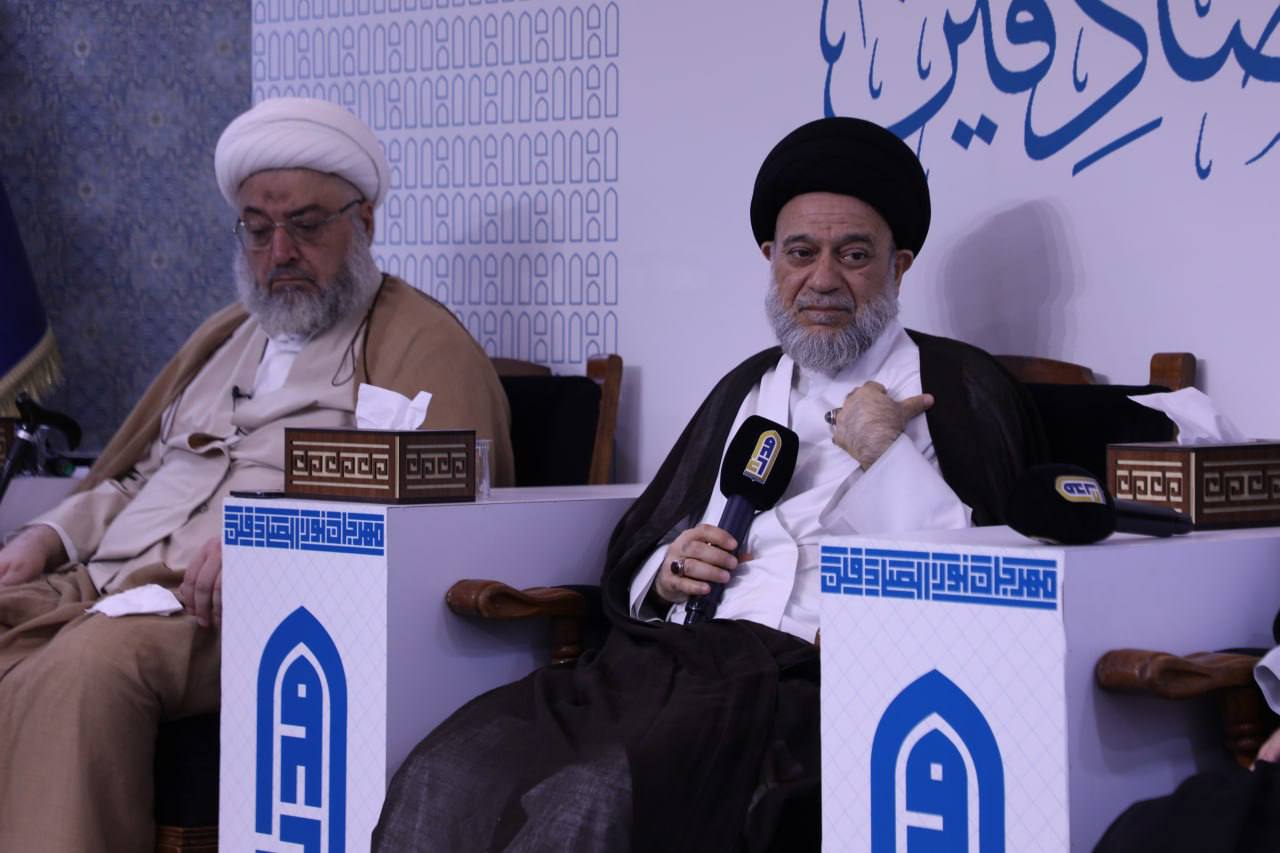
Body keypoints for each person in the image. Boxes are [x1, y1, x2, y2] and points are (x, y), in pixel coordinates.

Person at [373, 116, 1046, 852]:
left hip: (816, 683)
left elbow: (994, 581)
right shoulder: (745, 389)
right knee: (453, 767)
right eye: (801, 253)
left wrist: (886, 456)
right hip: (680, 662)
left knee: (594, 796)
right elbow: (645, 543)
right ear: (770, 259)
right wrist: (666, 574)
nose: (823, 279)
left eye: (854, 255)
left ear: (900, 265)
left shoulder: (958, 386)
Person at [0, 96, 512, 852]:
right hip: (104, 578)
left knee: (87, 668)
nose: (280, 252)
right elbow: (141, 473)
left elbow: (434, 519)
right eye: (258, 228)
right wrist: (46, 536)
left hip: (231, 609)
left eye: (305, 225)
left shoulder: (418, 344)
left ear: (365, 222)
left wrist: (269, 547)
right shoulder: (224, 337)